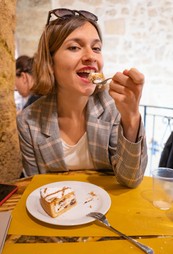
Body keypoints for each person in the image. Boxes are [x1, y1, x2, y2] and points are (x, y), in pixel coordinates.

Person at [17, 8, 148, 187]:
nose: (91, 57)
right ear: (50, 61)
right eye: (74, 47)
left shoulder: (112, 107)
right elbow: (36, 187)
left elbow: (131, 180)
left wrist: (131, 116)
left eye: (96, 48)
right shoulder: (28, 122)